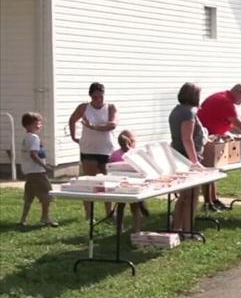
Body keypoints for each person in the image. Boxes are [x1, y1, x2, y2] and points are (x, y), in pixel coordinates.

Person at [197, 84, 241, 211]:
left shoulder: (223, 97)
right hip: (207, 139)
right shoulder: (225, 102)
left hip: (213, 136)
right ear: (238, 92)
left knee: (215, 170)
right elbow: (239, 124)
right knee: (209, 170)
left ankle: (214, 199)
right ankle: (208, 203)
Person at [68, 82, 116, 219]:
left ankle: (109, 213)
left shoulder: (110, 107)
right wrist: (74, 137)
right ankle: (89, 215)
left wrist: (94, 127)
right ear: (90, 96)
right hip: (88, 148)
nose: (98, 100)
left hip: (106, 149)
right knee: (89, 182)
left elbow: (112, 124)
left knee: (107, 182)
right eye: (95, 97)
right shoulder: (84, 107)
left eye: (101, 97)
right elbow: (72, 120)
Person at [170, 82, 206, 233]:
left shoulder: (177, 110)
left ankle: (177, 227)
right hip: (186, 159)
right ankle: (188, 230)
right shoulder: (188, 113)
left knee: (184, 196)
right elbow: (187, 139)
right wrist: (195, 162)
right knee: (191, 196)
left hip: (178, 156)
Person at [19, 112, 57, 227]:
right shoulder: (34, 138)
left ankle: (23, 219)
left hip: (28, 171)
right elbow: (33, 155)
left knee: (29, 196)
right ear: (29, 125)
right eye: (37, 123)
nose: (40, 126)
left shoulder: (26, 137)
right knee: (47, 194)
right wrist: (45, 166)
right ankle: (45, 218)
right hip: (37, 172)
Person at [109, 130, 147, 232]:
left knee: (120, 207)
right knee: (137, 208)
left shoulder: (114, 155)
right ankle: (137, 229)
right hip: (134, 186)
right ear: (131, 142)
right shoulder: (134, 155)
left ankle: (119, 228)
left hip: (119, 186)